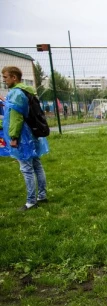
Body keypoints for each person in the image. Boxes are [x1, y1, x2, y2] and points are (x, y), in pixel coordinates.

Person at [1, 66, 48, 211]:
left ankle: (31, 201)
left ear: (14, 77)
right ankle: (42, 195)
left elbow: (16, 118)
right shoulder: (28, 91)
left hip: (23, 136)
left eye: (6, 77)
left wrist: (14, 137)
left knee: (26, 168)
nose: (4, 81)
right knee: (37, 165)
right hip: (33, 133)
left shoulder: (15, 93)